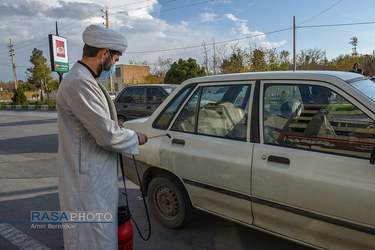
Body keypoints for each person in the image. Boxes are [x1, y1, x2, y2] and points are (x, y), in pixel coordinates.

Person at [56, 24, 148, 250]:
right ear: (104, 52)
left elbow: (101, 124)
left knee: (100, 240)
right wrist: (136, 137)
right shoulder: (79, 83)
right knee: (89, 242)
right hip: (86, 186)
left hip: (95, 181)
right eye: (115, 58)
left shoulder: (86, 80)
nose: (114, 64)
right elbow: (107, 135)